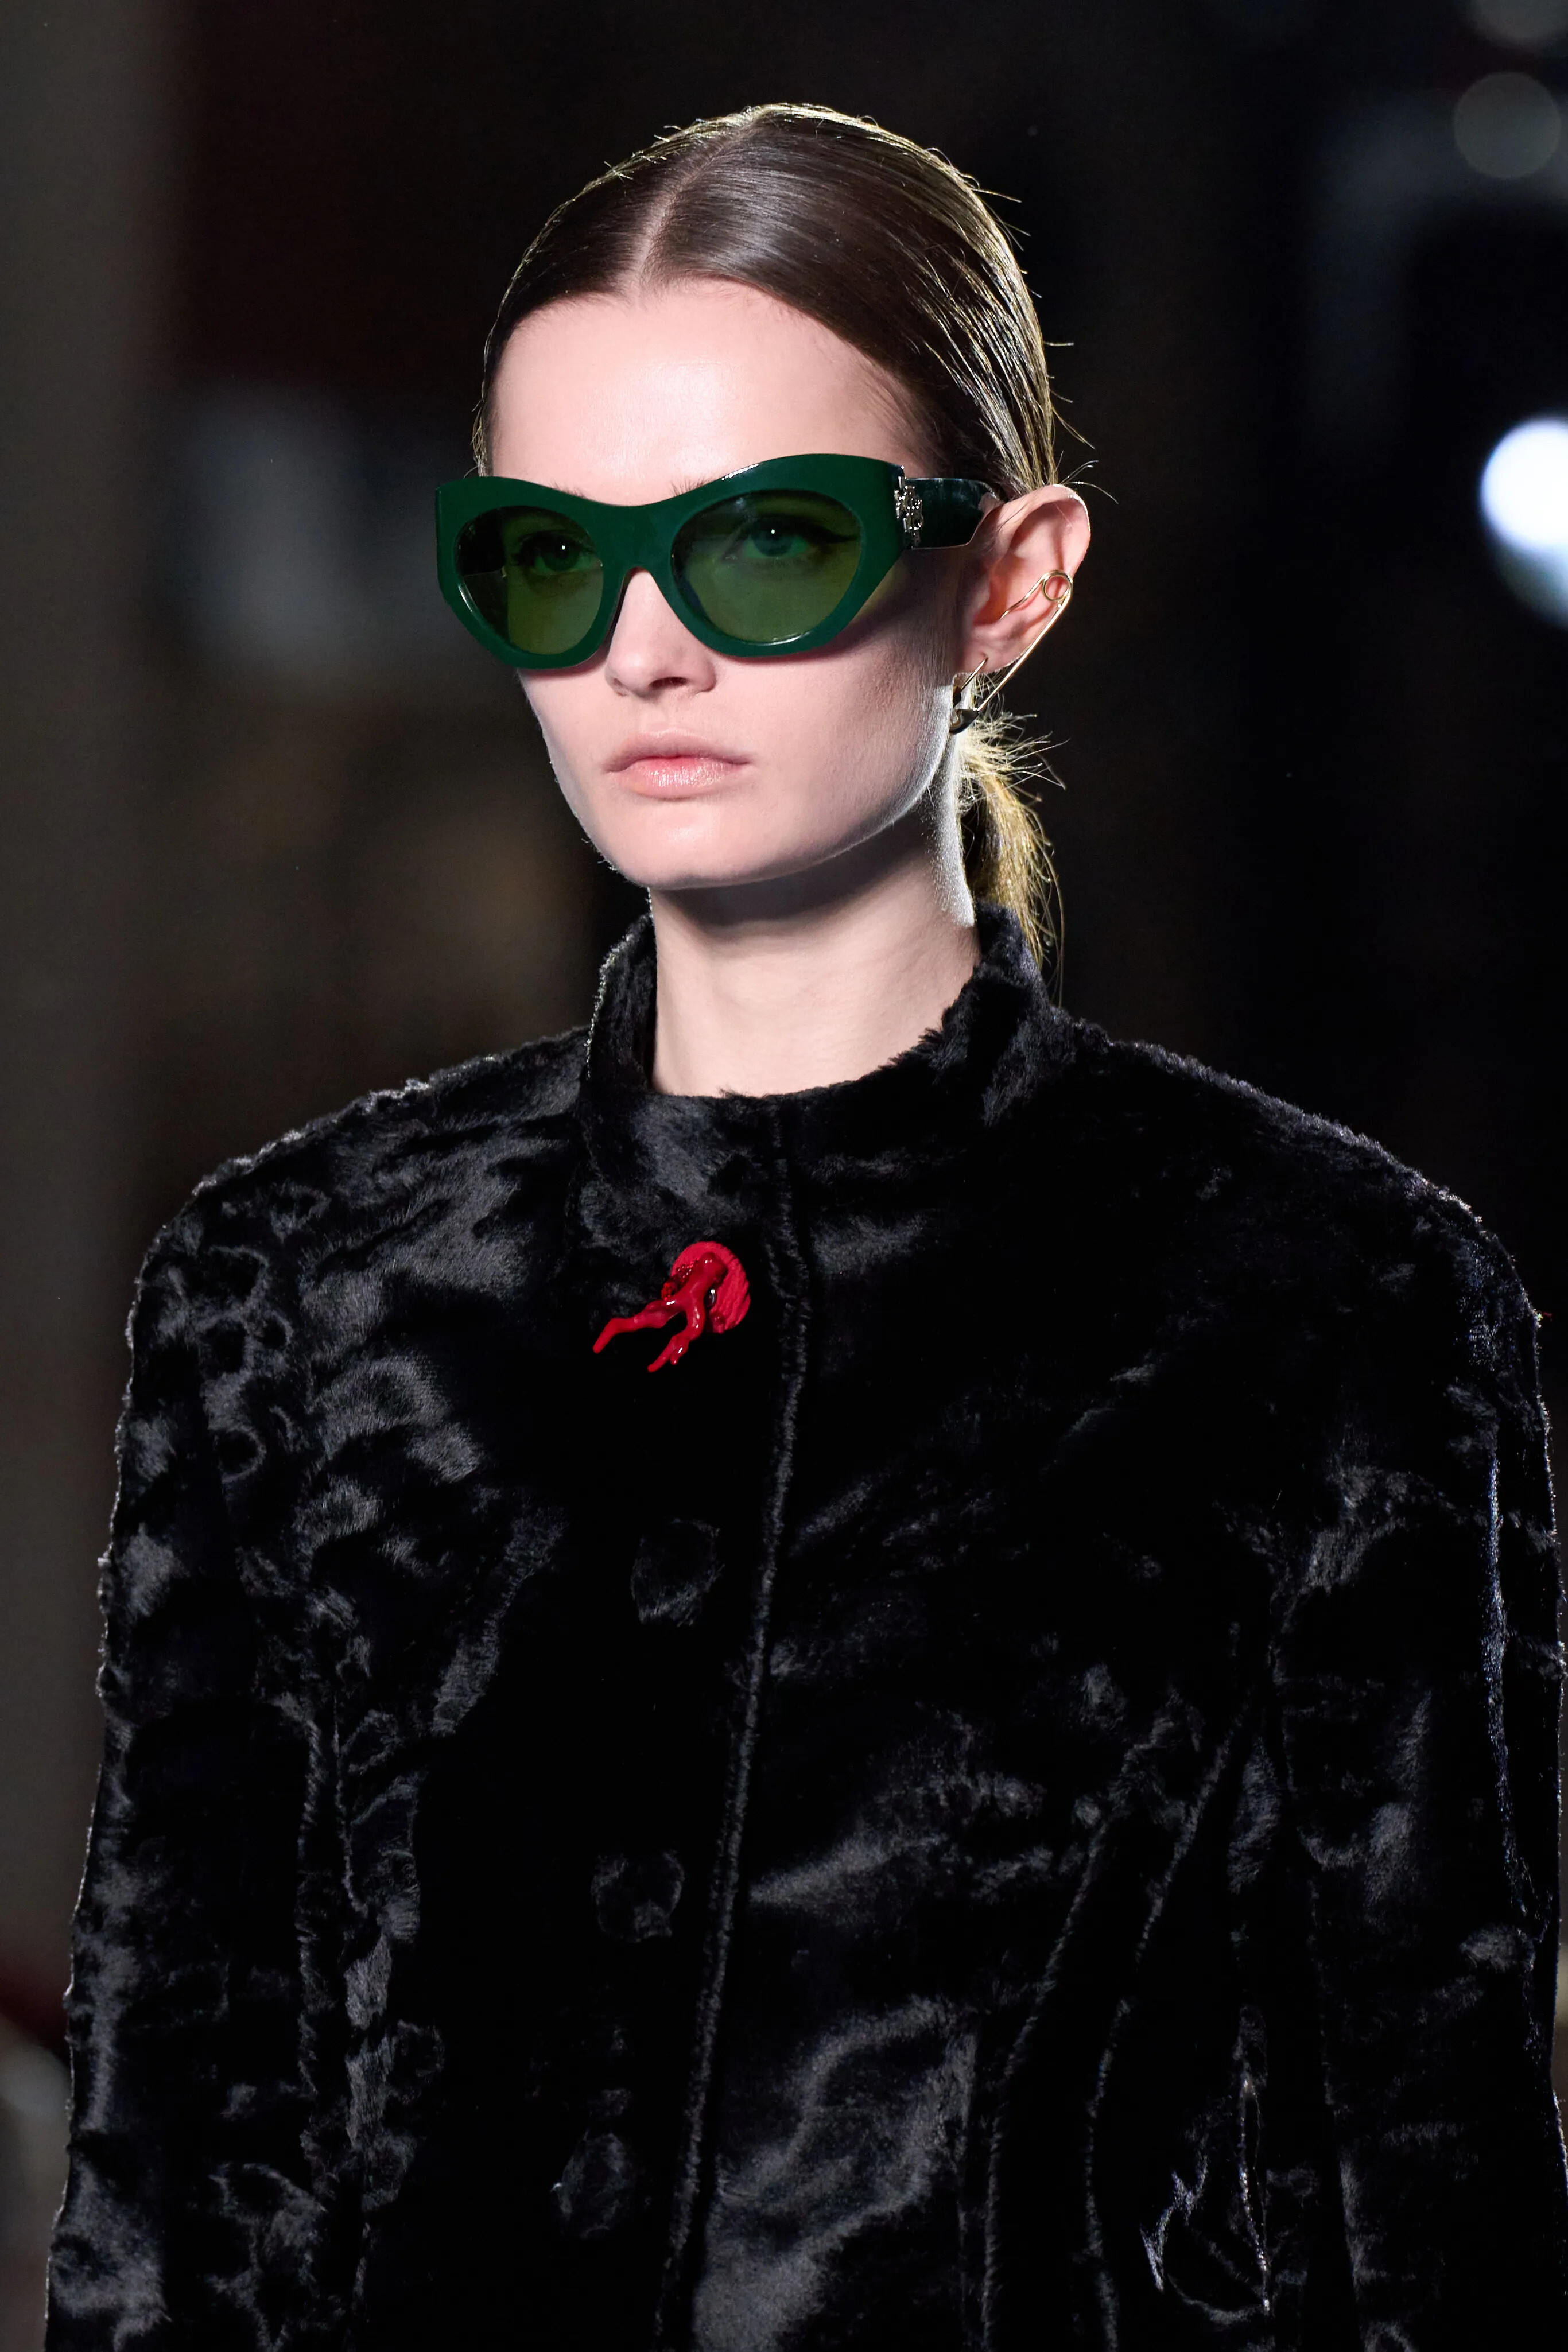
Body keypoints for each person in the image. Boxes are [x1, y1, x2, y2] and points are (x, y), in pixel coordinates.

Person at [46, 103, 1567, 2351]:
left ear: (1008, 578)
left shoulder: (1321, 1303)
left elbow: (1421, 2220)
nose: (645, 648)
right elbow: (180, 2195)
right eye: (549, 558)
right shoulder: (297, 1287)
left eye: (763, 540)